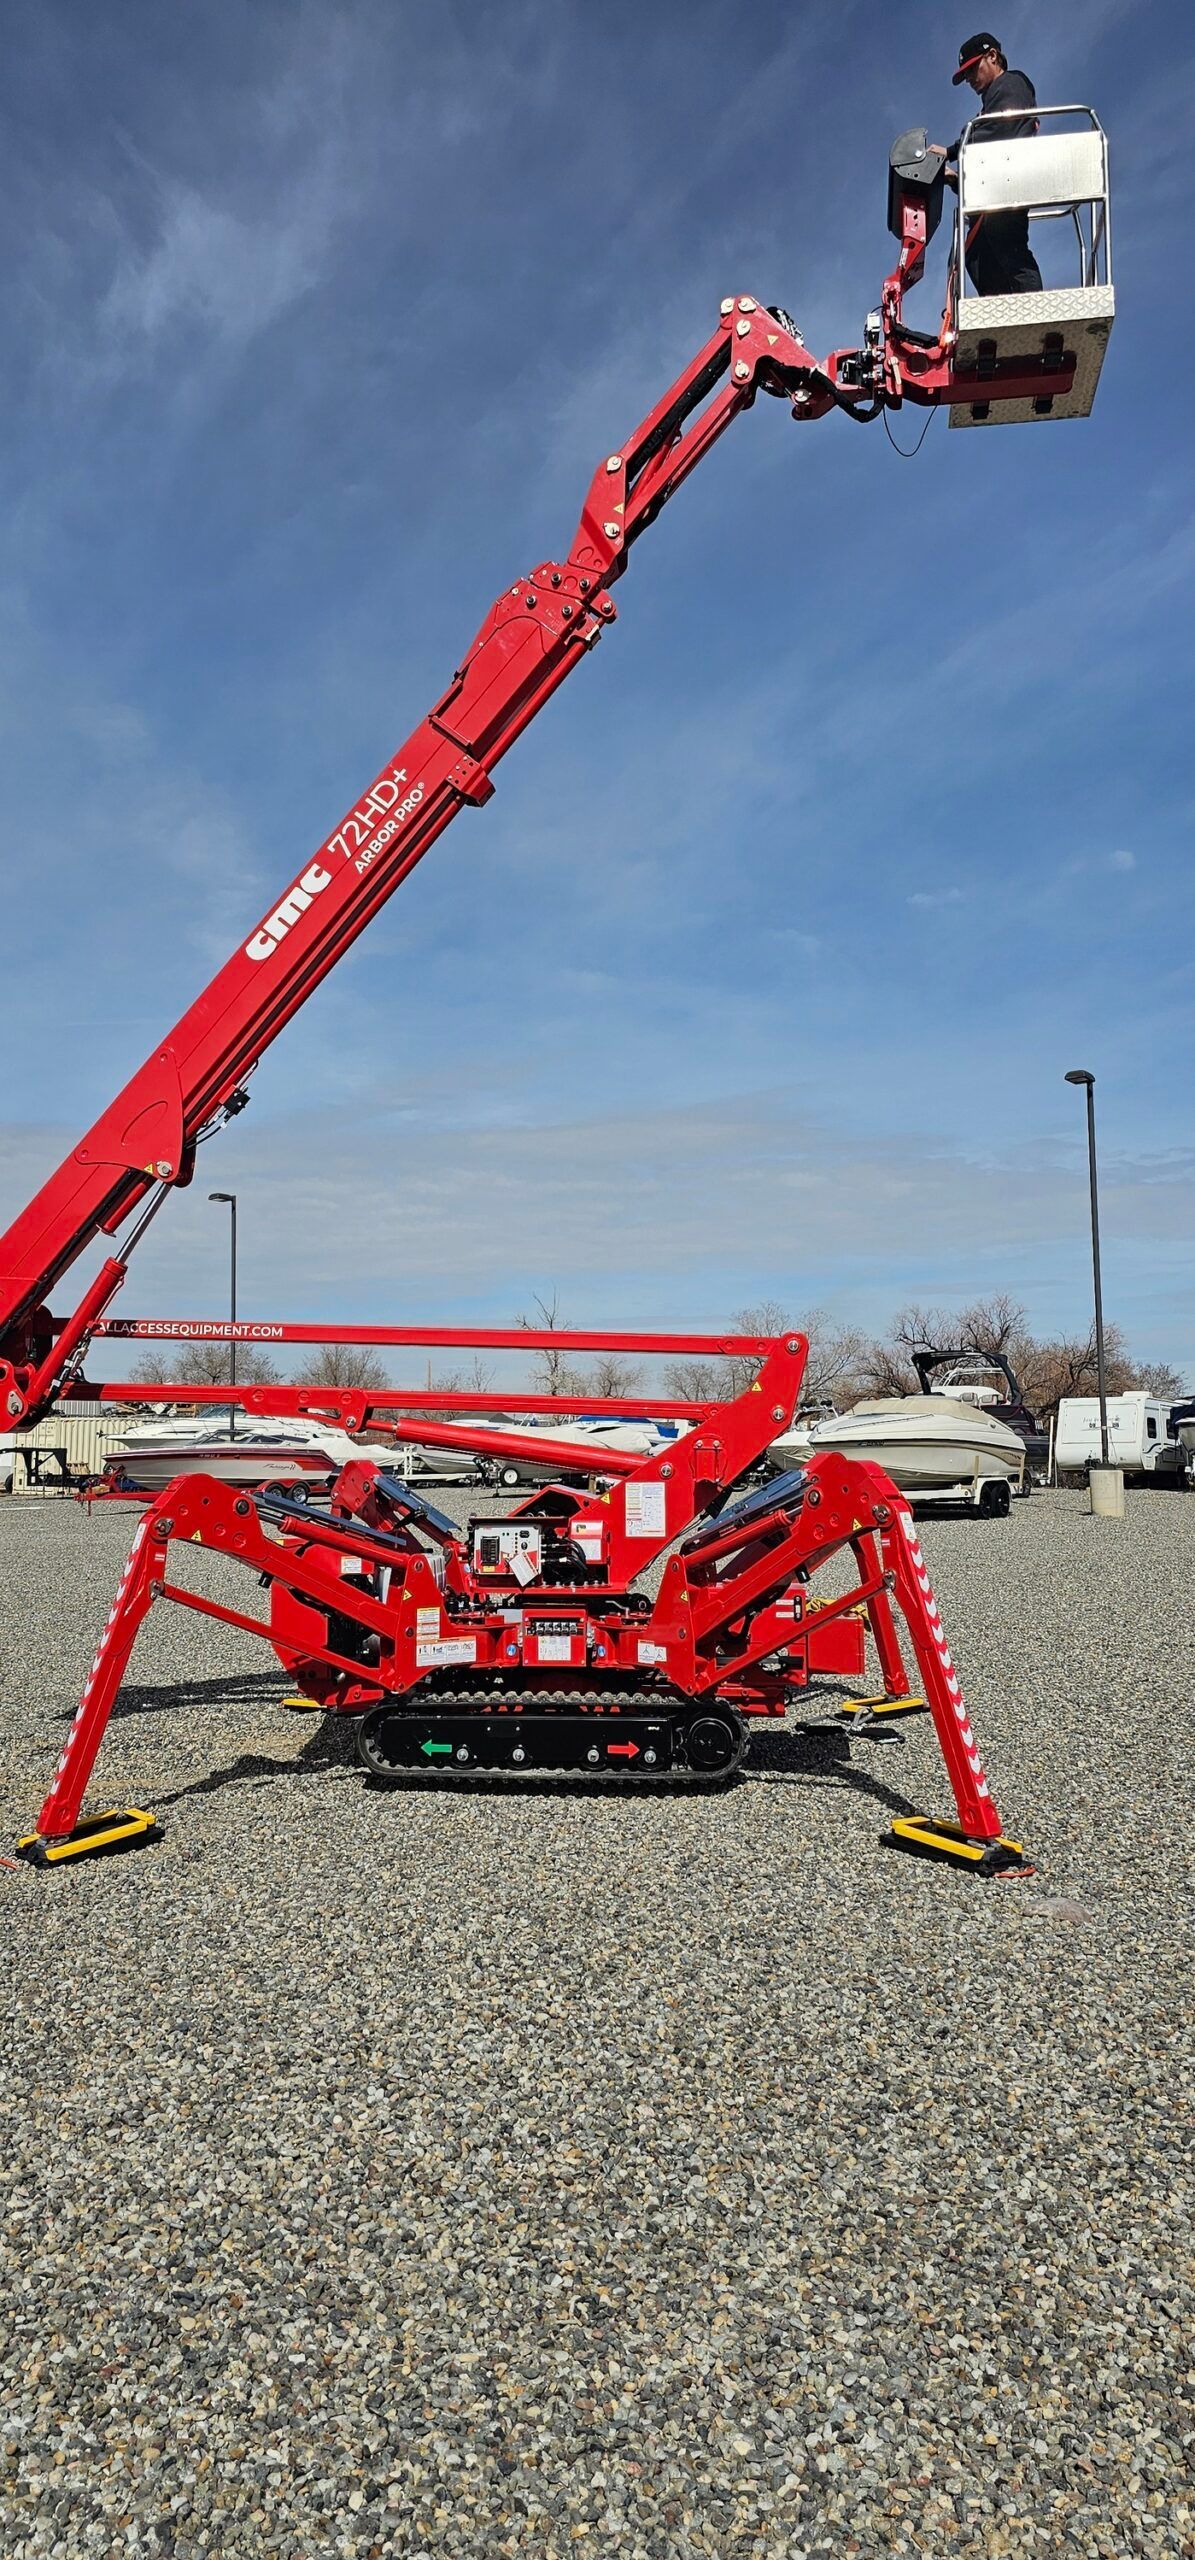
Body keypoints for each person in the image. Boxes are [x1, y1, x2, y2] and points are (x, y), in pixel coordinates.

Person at [937, 33, 1043, 297]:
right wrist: (953, 177)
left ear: (993, 56)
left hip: (1008, 187)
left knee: (1009, 248)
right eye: (966, 75)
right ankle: (1000, 305)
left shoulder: (1011, 84)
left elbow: (998, 130)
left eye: (973, 69)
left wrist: (953, 151)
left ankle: (1032, 309)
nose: (970, 79)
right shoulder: (988, 106)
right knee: (974, 255)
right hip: (992, 192)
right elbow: (983, 147)